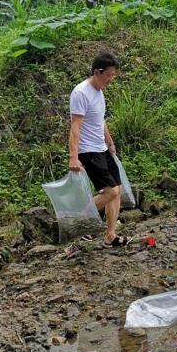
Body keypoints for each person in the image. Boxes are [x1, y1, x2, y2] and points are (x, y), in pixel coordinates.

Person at [68, 53, 131, 246]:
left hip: (102, 147)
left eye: (113, 75)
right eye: (108, 75)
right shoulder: (81, 93)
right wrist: (73, 157)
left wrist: (109, 142)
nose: (111, 80)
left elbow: (99, 120)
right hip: (89, 151)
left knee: (117, 190)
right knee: (110, 192)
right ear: (97, 72)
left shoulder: (99, 91)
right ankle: (78, 222)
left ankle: (110, 235)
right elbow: (75, 127)